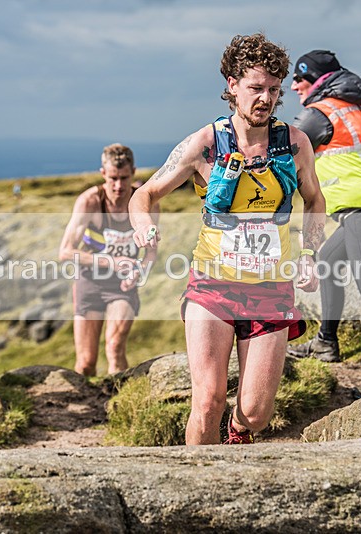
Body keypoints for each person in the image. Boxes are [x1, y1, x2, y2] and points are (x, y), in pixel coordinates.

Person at [130, 33, 326, 445]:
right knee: (208, 400)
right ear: (232, 85)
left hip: (271, 287)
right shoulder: (204, 144)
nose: (266, 99)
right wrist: (144, 228)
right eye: (256, 88)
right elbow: (143, 195)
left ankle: (237, 435)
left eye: (274, 89)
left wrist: (309, 253)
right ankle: (197, 477)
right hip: (212, 285)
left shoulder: (295, 144)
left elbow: (314, 200)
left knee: (255, 413)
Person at [287, 50, 361, 362]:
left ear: (316, 80)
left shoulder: (318, 114)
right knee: (328, 261)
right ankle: (325, 342)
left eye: (299, 78)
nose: (294, 85)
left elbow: (282, 154)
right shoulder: (354, 109)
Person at [58, 144, 157, 377]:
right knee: (86, 363)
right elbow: (65, 252)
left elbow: (151, 253)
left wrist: (139, 272)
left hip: (122, 286)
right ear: (103, 173)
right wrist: (110, 262)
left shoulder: (145, 203)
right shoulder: (90, 202)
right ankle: (88, 400)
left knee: (114, 348)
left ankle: (120, 397)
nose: (118, 186)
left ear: (133, 172)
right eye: (113, 178)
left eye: (124, 178)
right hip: (89, 282)